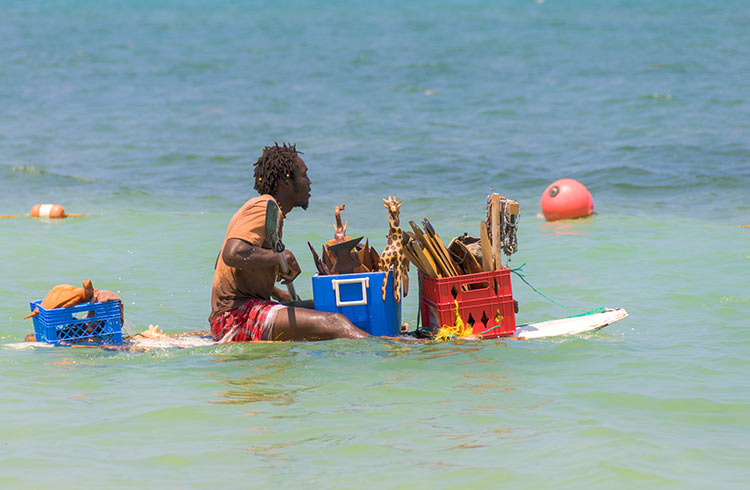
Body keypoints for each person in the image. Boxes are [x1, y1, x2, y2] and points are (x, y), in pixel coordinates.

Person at [209, 143, 370, 342]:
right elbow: (231, 254)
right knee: (335, 322)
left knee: (330, 305)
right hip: (236, 318)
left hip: (247, 309)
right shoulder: (264, 206)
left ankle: (376, 332)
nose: (309, 182)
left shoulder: (270, 211)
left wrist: (277, 293)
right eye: (304, 176)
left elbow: (221, 263)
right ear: (285, 182)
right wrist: (280, 257)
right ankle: (383, 351)